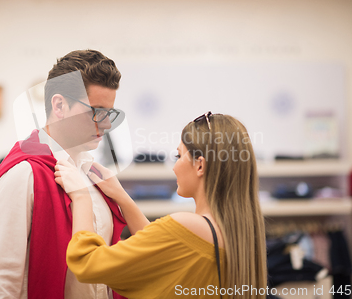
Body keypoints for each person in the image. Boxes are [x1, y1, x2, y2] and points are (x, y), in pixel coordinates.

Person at [55, 113, 268, 299]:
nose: (174, 166)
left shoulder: (187, 224)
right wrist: (122, 197)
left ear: (200, 165)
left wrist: (81, 196)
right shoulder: (240, 234)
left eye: (178, 155)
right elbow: (164, 247)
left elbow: (87, 263)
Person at [0, 50, 129, 299]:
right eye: (97, 111)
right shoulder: (23, 175)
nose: (107, 125)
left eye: (109, 113)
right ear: (59, 105)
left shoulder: (96, 177)